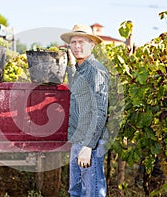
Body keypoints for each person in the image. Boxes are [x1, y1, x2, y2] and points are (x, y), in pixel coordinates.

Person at [60, 24, 110, 197]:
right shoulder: (82, 69)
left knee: (93, 192)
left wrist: (88, 146)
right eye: (73, 42)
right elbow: (75, 86)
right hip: (78, 140)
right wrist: (70, 64)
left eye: (81, 42)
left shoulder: (96, 71)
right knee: (76, 191)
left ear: (92, 45)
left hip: (90, 142)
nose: (77, 46)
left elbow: (100, 111)